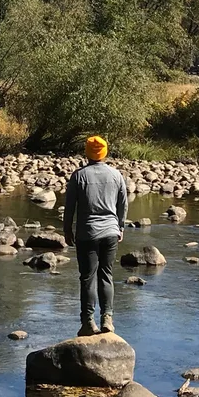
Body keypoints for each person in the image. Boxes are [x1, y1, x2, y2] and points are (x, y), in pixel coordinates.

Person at [62, 134, 129, 336]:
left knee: (87, 278)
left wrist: (67, 230)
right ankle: (107, 318)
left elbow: (69, 207)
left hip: (87, 233)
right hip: (110, 232)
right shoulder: (116, 175)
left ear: (87, 153)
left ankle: (88, 322)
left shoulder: (79, 176)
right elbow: (123, 204)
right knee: (106, 275)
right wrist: (120, 227)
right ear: (105, 152)